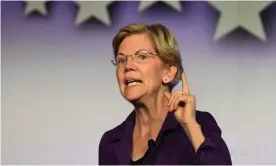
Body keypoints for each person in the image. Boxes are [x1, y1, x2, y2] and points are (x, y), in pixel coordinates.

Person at [98, 23, 232, 165]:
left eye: (142, 57)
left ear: (168, 72)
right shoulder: (111, 142)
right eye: (122, 60)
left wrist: (190, 126)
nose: (128, 66)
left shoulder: (199, 124)